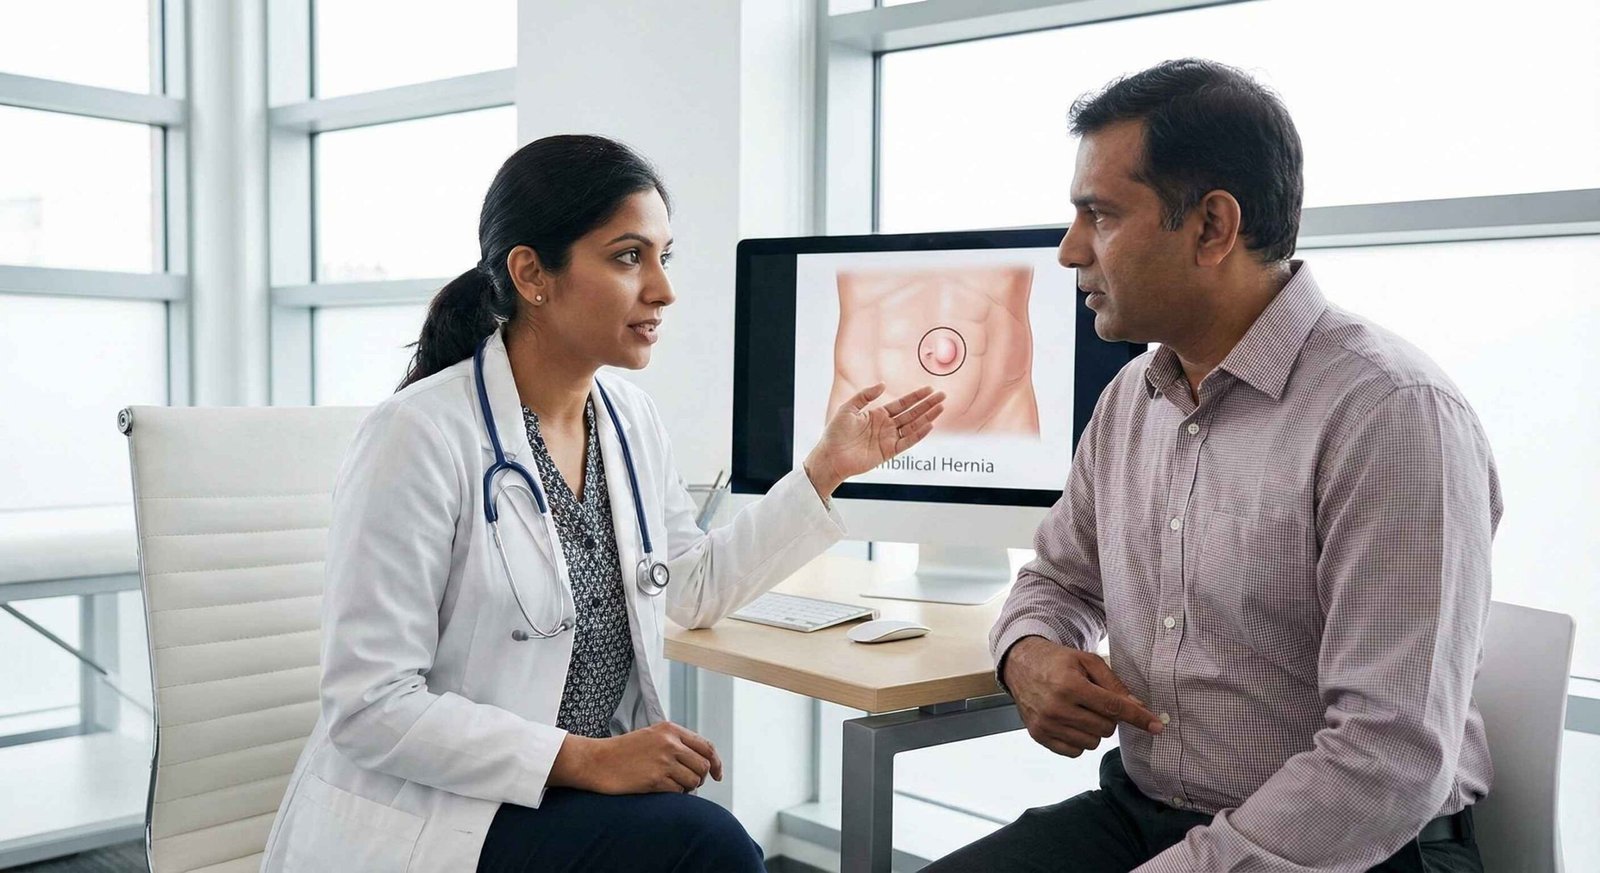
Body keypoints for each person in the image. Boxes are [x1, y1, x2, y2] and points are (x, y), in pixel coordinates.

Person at [259, 134, 946, 872]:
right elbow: (369, 706)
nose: (663, 288)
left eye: (663, 256)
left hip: (568, 794)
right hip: (441, 810)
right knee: (710, 847)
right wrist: (585, 759)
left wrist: (823, 470)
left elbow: (691, 586)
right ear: (532, 273)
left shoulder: (627, 419)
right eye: (628, 257)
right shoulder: (416, 436)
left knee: (714, 845)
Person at [925, 59, 1497, 872]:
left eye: (1101, 215)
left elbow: (1385, 760)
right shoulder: (1133, 397)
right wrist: (1029, 653)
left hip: (1359, 850)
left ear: (1212, 228)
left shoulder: (1392, 416)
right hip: (1144, 812)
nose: (1068, 251)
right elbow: (1055, 581)